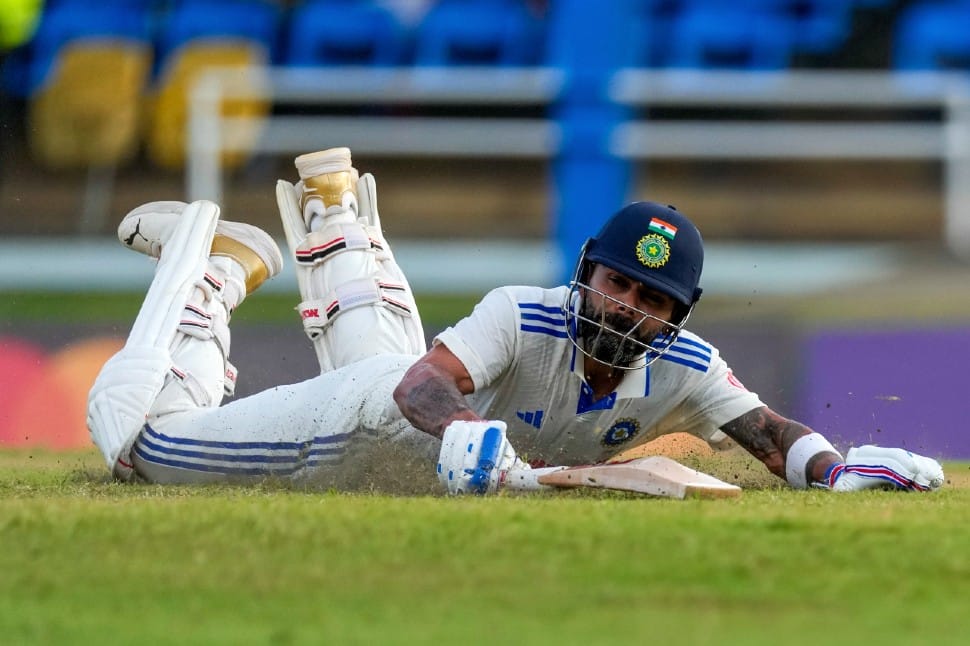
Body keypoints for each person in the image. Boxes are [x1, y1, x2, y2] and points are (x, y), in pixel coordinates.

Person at [88, 147, 945, 494]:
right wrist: (467, 435)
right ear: (588, 274)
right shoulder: (523, 314)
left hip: (407, 440)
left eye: (651, 302)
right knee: (143, 448)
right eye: (617, 285)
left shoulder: (687, 365)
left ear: (676, 315)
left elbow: (766, 430)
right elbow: (420, 384)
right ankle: (209, 274)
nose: (626, 308)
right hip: (355, 421)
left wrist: (829, 472)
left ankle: (335, 210)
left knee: (381, 356)